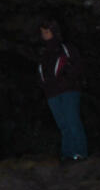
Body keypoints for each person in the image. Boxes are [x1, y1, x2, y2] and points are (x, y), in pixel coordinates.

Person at [38, 18, 88, 162]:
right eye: (42, 32)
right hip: (52, 93)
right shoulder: (44, 53)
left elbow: (77, 66)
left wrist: (66, 80)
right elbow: (42, 72)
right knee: (63, 125)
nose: (44, 35)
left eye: (46, 32)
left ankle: (80, 153)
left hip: (68, 91)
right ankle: (67, 154)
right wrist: (45, 86)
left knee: (72, 121)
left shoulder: (65, 48)